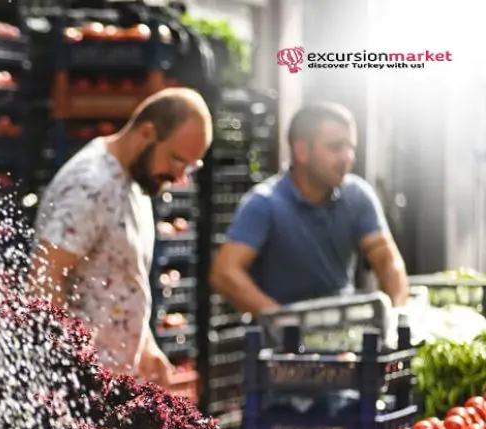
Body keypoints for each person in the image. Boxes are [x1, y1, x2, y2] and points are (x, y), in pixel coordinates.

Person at [27, 88, 212, 385]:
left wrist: (145, 348)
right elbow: (45, 274)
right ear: (147, 132)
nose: (179, 177)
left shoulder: (134, 183)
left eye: (190, 167)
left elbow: (121, 280)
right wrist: (70, 369)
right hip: (80, 390)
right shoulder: (91, 183)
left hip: (111, 387)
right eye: (177, 160)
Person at [210, 101, 409, 315]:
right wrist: (283, 321)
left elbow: (387, 260)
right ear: (301, 151)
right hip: (283, 345)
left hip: (346, 332)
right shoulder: (264, 203)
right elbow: (224, 273)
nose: (347, 157)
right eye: (335, 147)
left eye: (350, 147)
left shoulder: (358, 196)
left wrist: (398, 314)